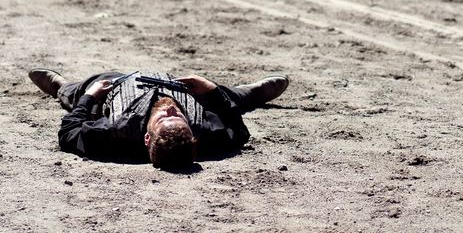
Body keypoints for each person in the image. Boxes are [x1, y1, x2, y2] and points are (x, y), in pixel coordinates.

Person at [28, 68, 289, 170]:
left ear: (146, 136)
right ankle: (249, 94)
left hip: (117, 85)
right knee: (229, 97)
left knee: (80, 90)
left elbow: (69, 132)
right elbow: (238, 131)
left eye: (165, 119)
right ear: (192, 133)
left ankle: (62, 86)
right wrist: (211, 90)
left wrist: (91, 97)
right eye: (179, 119)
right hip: (182, 87)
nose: (171, 112)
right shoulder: (208, 135)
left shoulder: (117, 132)